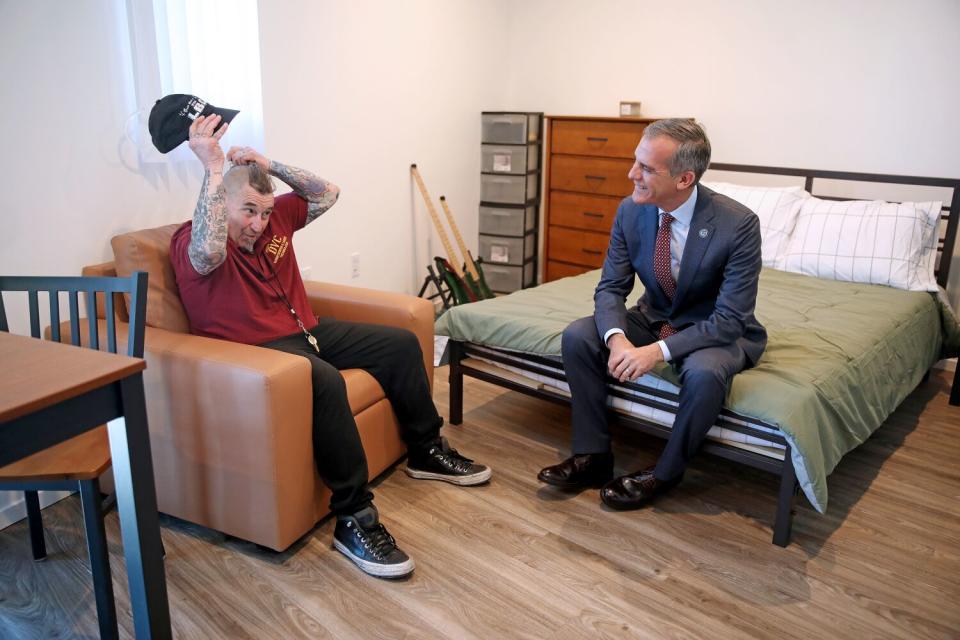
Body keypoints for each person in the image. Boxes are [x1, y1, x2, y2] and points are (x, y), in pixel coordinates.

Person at [170, 113, 491, 578]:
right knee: (322, 378)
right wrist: (214, 169)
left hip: (307, 330)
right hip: (260, 354)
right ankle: (355, 518)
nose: (259, 223)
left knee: (400, 344)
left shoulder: (276, 216)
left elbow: (328, 193)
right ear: (222, 202)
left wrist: (269, 163)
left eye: (264, 212)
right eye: (248, 211)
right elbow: (208, 251)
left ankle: (426, 450)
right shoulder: (194, 239)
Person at [537, 119, 767, 510]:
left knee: (705, 373)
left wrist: (656, 352)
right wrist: (619, 339)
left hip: (714, 328)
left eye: (646, 168)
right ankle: (593, 456)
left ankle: (665, 472)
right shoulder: (631, 211)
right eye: (635, 162)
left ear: (684, 179)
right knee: (579, 335)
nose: (632, 174)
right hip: (654, 314)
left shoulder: (738, 225)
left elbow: (729, 319)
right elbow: (611, 287)